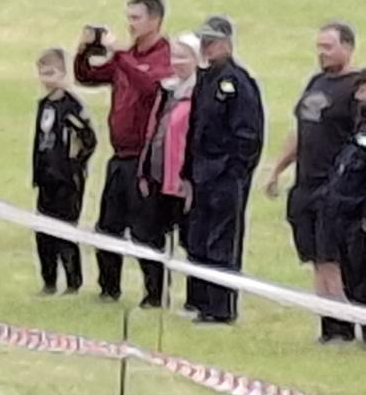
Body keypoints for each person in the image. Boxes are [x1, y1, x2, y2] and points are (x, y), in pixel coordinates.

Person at [264, 22, 366, 343]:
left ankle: (344, 327)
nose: (322, 53)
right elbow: (301, 130)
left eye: (329, 47)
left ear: (348, 47)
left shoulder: (356, 89)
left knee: (334, 260)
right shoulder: (316, 82)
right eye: (319, 47)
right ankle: (329, 325)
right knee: (317, 260)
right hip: (305, 186)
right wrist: (277, 169)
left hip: (334, 189)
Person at [73, 0, 173, 306]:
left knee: (146, 229)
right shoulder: (126, 57)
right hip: (119, 156)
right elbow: (87, 76)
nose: (130, 25)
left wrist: (120, 56)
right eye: (128, 18)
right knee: (108, 226)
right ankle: (108, 287)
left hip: (145, 159)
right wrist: (85, 50)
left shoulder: (164, 56)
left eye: (136, 18)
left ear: (155, 20)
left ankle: (154, 294)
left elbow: (149, 86)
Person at [180, 17, 264, 325]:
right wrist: (187, 172)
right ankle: (199, 301)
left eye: (212, 41)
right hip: (201, 174)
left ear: (227, 43)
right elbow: (194, 130)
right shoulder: (205, 80)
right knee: (197, 238)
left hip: (225, 176)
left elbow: (249, 135)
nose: (206, 47)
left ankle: (220, 307)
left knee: (221, 240)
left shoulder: (237, 82)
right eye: (203, 42)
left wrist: (234, 171)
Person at [137, 32, 201, 310]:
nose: (177, 62)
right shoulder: (166, 91)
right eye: (174, 56)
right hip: (158, 175)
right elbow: (154, 132)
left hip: (183, 181)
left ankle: (195, 300)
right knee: (148, 235)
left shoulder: (200, 94)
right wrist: (144, 169)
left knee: (191, 241)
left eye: (184, 56)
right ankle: (154, 293)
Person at [31, 48, 97, 294]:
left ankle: (72, 282)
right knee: (43, 233)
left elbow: (89, 139)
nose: (47, 78)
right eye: (43, 73)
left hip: (67, 181)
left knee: (65, 231)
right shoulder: (44, 106)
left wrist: (75, 164)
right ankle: (48, 281)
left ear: (63, 73)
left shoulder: (72, 107)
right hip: (46, 179)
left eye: (52, 73)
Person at [322, 81, 366, 321]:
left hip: (359, 219)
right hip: (343, 219)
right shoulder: (357, 134)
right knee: (354, 285)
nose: (358, 97)